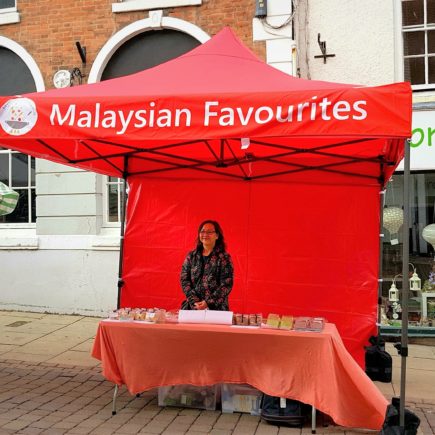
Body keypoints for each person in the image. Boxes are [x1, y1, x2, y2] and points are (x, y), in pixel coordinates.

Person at [180, 220, 234, 311]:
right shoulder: (191, 256)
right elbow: (184, 279)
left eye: (209, 232)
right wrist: (194, 300)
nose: (205, 234)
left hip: (217, 309)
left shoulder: (224, 257)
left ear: (217, 236)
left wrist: (208, 302)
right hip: (193, 307)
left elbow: (226, 284)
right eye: (203, 231)